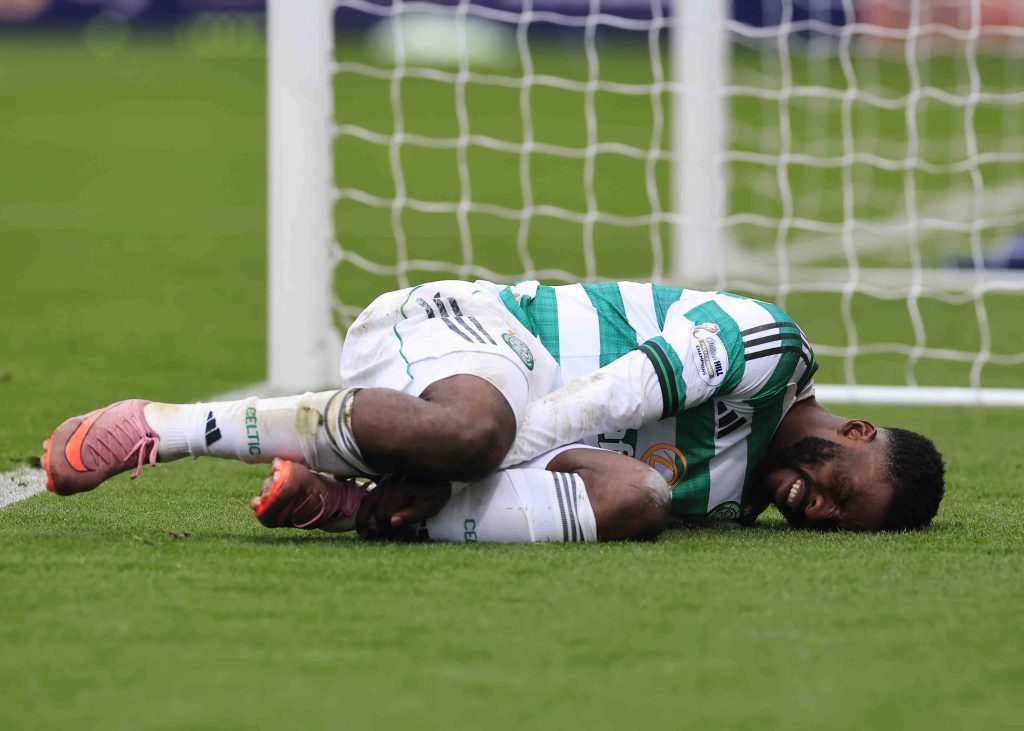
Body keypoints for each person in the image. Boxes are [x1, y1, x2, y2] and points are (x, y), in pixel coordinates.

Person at [41, 279, 945, 541]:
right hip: (469, 332)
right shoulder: (771, 347)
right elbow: (617, 394)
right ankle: (165, 425)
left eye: (838, 524)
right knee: (481, 436)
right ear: (857, 433)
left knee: (639, 503)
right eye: (844, 490)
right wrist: (470, 469)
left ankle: (350, 501)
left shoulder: (731, 495)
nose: (819, 509)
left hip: (470, 423)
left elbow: (599, 479)